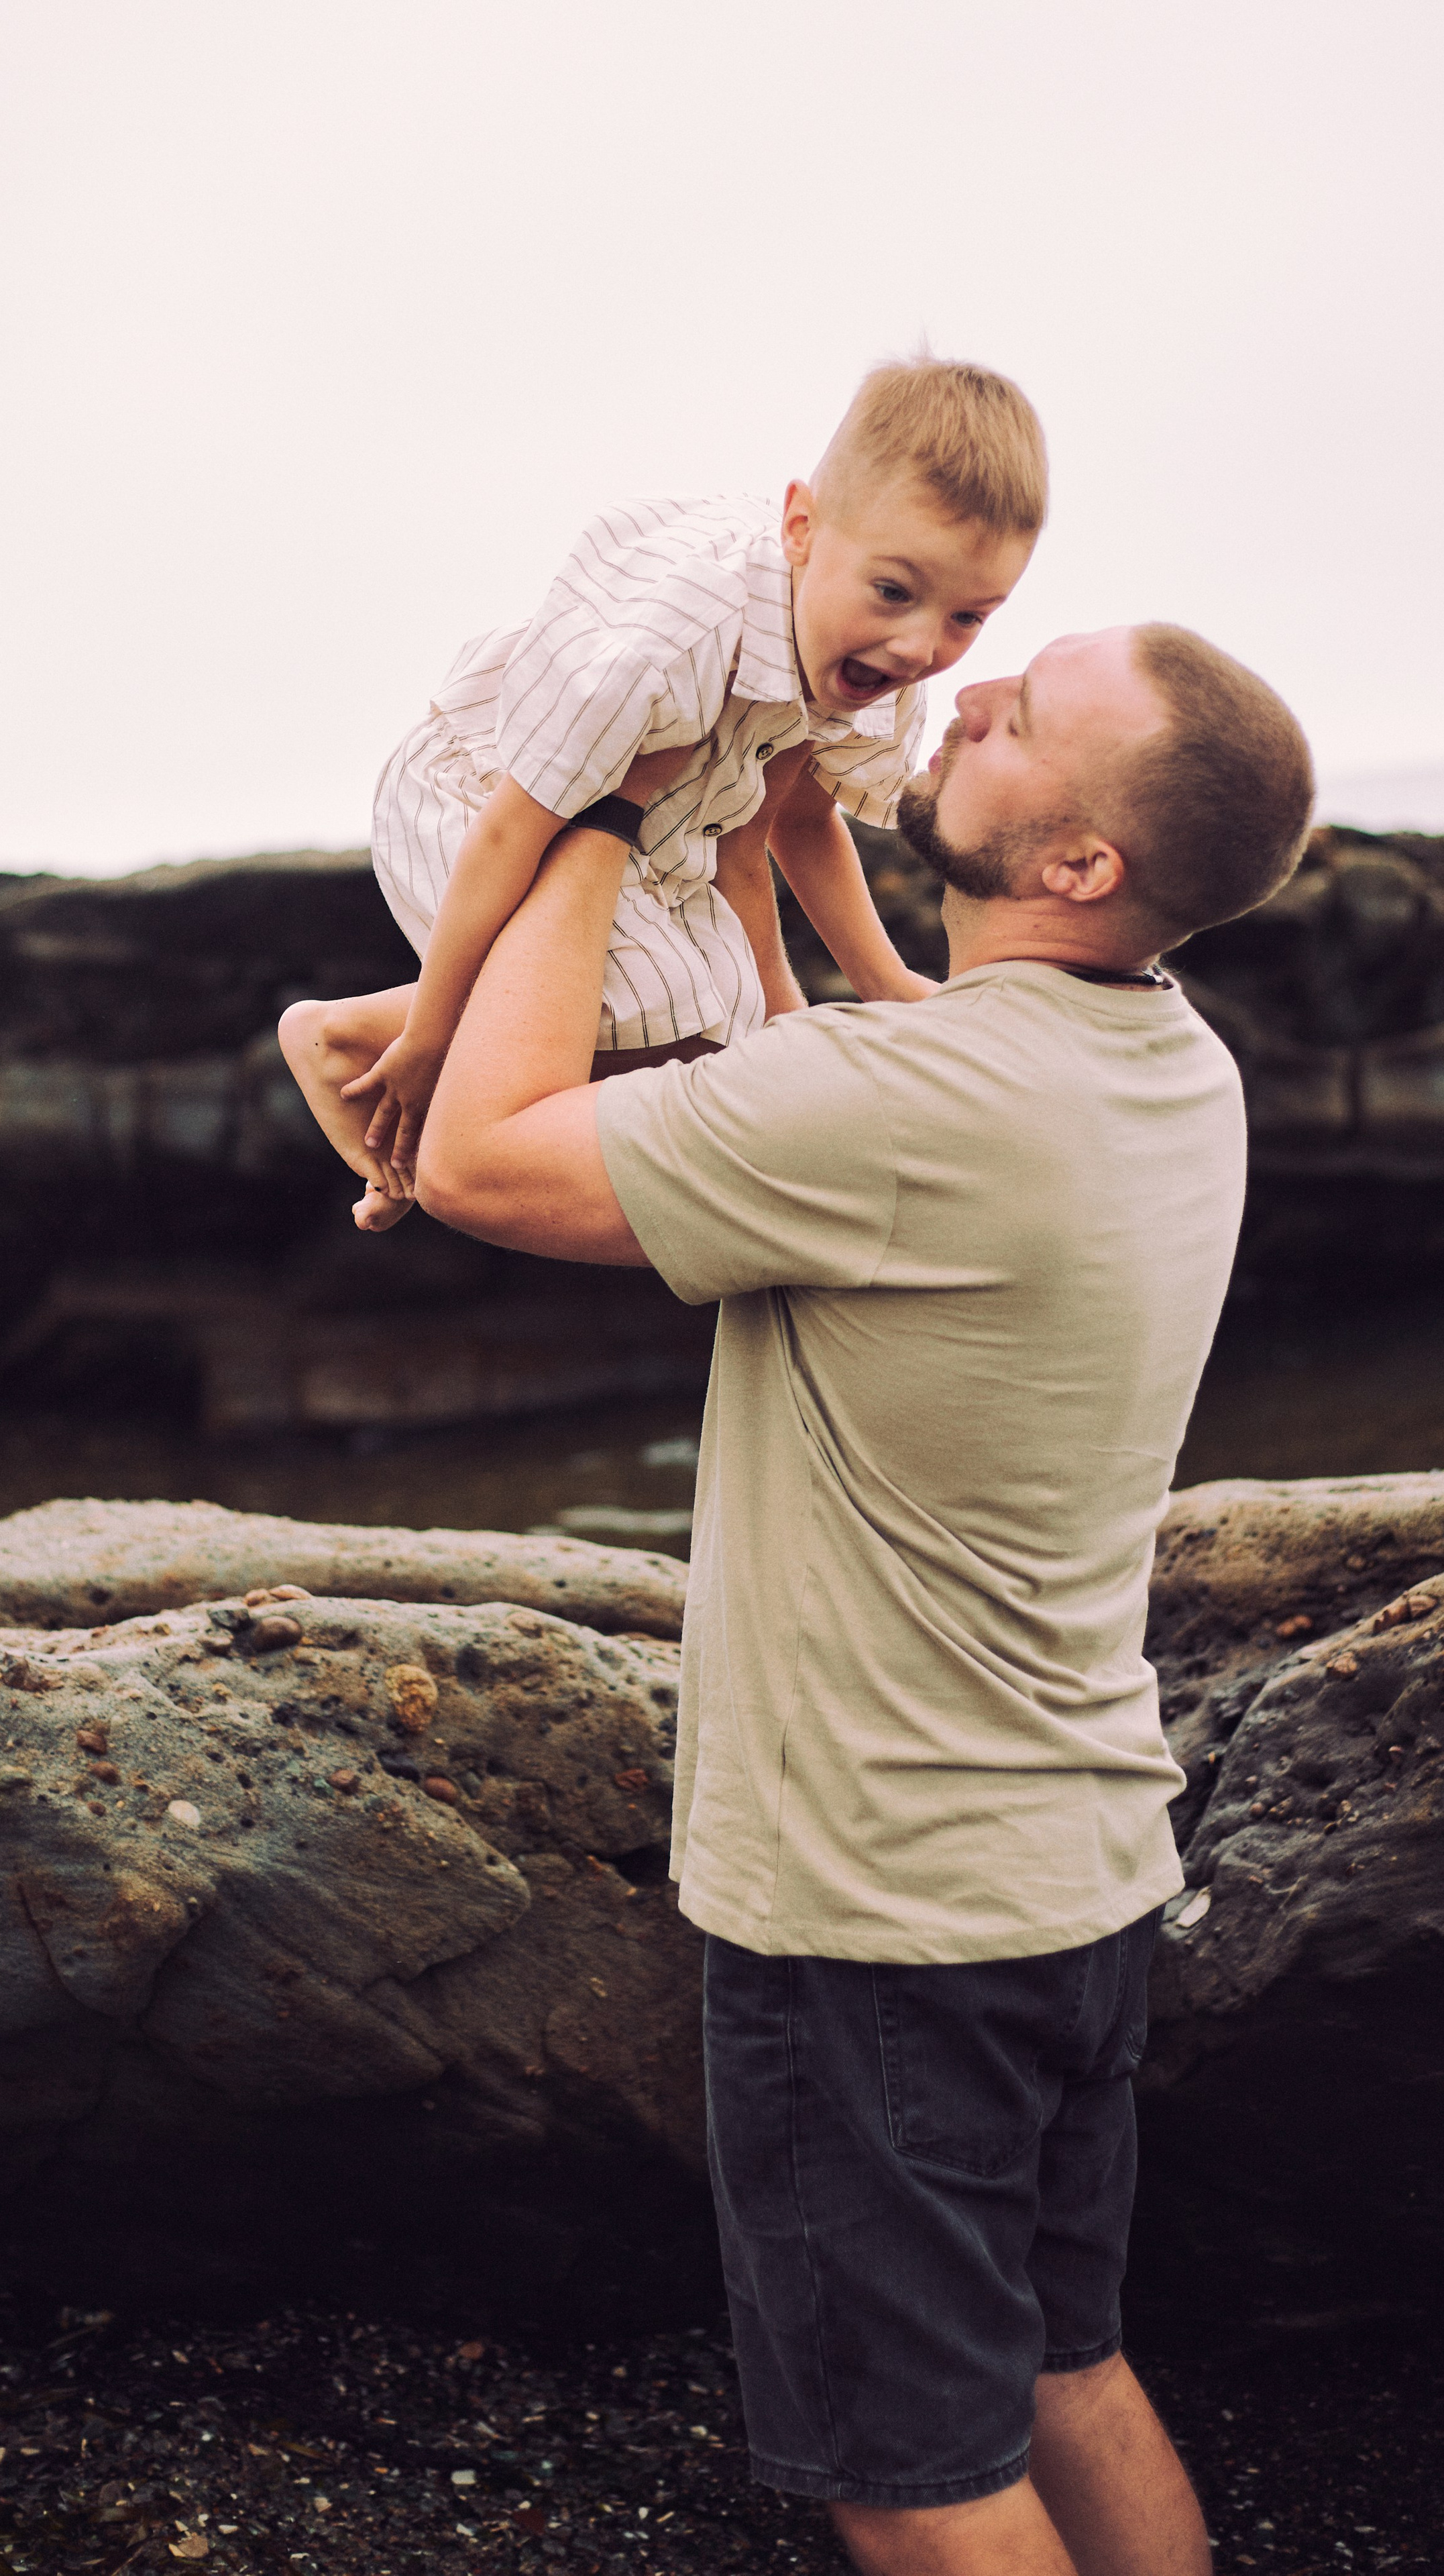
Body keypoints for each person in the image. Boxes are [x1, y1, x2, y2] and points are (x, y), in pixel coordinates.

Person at [410, 622, 1314, 2576]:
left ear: (1080, 865)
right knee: (1063, 2361)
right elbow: (865, 1080)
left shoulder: (905, 1106)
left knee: (910, 2465)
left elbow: (484, 1155)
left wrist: (600, 795)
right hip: (1075, 1870)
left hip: (884, 1913)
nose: (965, 702)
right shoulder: (1175, 1063)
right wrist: (759, 866)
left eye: (1019, 714)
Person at [278, 356, 1046, 1228]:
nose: (919, 646)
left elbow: (781, 823)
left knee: (723, 1028)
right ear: (801, 526)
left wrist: (875, 989)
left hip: (643, 830)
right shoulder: (675, 636)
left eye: (967, 617)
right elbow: (508, 831)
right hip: (480, 797)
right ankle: (350, 1037)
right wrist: (430, 1039)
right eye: (894, 591)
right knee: (655, 1012)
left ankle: (436, 1087)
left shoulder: (861, 651)